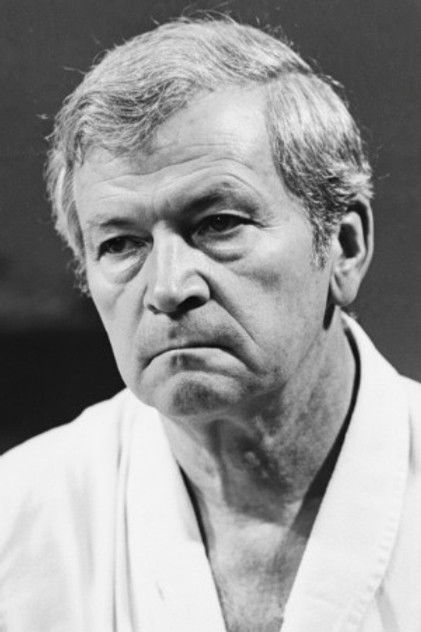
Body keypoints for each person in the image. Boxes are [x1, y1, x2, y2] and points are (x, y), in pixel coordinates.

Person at [0, 16, 420, 632]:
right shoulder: (20, 524)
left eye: (218, 223)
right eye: (121, 244)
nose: (169, 288)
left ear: (344, 246)